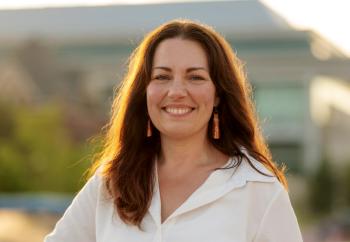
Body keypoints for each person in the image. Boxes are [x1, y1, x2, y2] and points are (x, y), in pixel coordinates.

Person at [44, 19, 303, 242]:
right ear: (144, 92)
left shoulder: (258, 189)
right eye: (162, 77)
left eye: (195, 77)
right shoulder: (112, 181)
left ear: (218, 95)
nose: (177, 92)